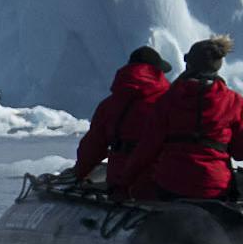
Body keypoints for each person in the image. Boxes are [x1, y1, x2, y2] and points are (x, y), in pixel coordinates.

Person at [135, 37, 243, 202]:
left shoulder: (168, 99)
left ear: (189, 65)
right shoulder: (234, 101)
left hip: (171, 182)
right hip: (214, 186)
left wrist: (123, 183)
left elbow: (148, 147)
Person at [71, 44, 171, 191]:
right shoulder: (169, 103)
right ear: (158, 73)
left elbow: (92, 147)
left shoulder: (109, 104)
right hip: (157, 183)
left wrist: (79, 173)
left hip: (118, 183)